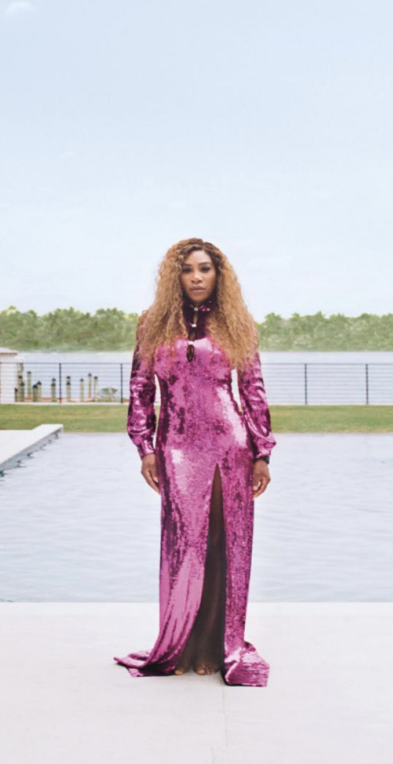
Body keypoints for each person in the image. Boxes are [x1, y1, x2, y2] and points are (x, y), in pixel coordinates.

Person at [114, 237, 275, 687]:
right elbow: (140, 389)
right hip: (178, 448)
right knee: (187, 548)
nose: (197, 277)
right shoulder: (152, 323)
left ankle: (213, 646)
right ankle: (179, 643)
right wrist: (145, 447)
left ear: (218, 274)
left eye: (205, 269)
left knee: (224, 544)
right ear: (176, 276)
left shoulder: (236, 322)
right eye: (188, 270)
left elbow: (253, 390)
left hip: (231, 444)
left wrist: (262, 451)